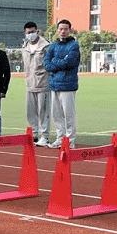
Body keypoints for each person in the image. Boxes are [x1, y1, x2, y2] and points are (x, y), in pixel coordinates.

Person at [44, 19, 80, 147]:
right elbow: (47, 64)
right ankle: (60, 138)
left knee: (68, 115)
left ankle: (70, 141)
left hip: (68, 85)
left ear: (70, 30)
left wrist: (55, 61)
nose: (63, 31)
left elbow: (69, 63)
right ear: (57, 31)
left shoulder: (74, 46)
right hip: (54, 85)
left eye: (65, 29)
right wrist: (57, 62)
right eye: (60, 29)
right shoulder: (53, 46)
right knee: (56, 115)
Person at [20, 21, 51, 146]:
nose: (30, 34)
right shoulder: (25, 47)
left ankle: (45, 135)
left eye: (33, 32)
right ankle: (34, 133)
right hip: (30, 83)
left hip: (43, 82)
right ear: (25, 33)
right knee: (31, 111)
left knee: (43, 111)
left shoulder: (45, 46)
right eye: (28, 33)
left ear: (37, 31)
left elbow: (49, 63)